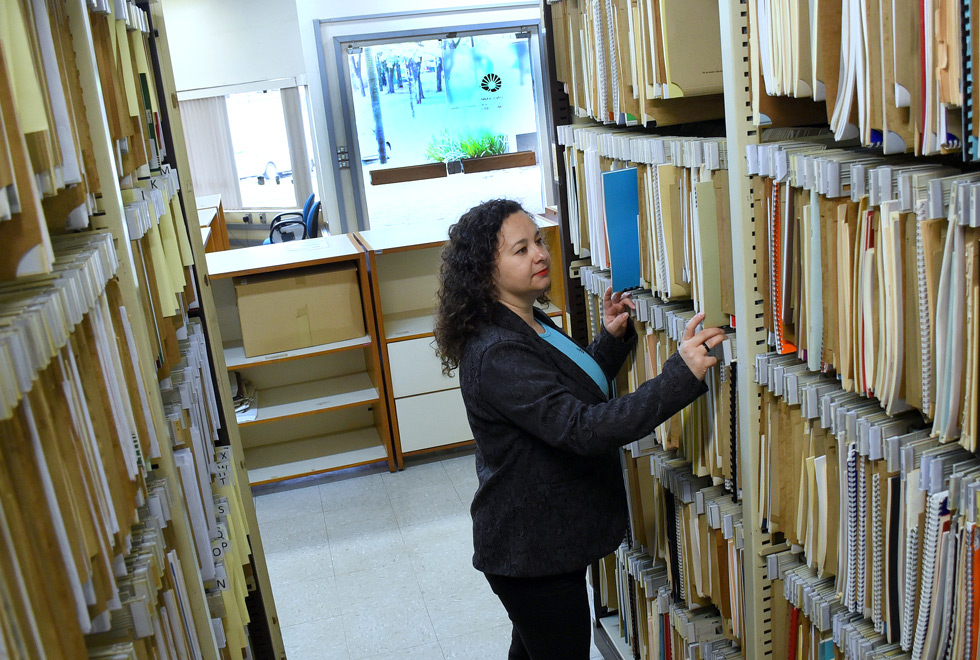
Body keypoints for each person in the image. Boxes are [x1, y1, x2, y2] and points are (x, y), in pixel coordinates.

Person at [433, 199, 725, 660]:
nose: (540, 254)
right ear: (484, 273)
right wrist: (677, 378)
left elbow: (562, 391)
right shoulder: (497, 350)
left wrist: (610, 341)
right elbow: (581, 427)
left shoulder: (526, 320)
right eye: (520, 249)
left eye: (538, 240)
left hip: (539, 545)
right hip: (531, 554)